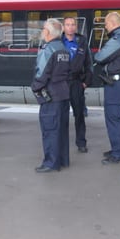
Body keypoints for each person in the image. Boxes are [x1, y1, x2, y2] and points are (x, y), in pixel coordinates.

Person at [32, 18, 70, 173]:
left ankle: (50, 163)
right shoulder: (63, 49)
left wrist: (35, 88)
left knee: (50, 130)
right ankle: (63, 160)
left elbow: (41, 73)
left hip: (50, 95)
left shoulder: (48, 49)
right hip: (63, 93)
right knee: (62, 129)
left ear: (47, 32)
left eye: (43, 29)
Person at [94, 12, 120, 164]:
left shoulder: (118, 38)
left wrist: (99, 54)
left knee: (114, 119)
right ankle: (118, 148)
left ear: (113, 23)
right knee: (114, 119)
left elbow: (100, 57)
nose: (105, 26)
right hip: (117, 84)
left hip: (115, 85)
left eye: (107, 24)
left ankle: (119, 153)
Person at [62, 17, 93, 153]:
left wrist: (86, 82)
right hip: (61, 83)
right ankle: (61, 142)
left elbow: (88, 63)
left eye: (73, 24)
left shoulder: (82, 41)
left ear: (76, 27)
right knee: (61, 114)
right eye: (67, 25)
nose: (70, 27)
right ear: (63, 27)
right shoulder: (57, 41)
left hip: (76, 82)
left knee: (79, 114)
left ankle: (81, 142)